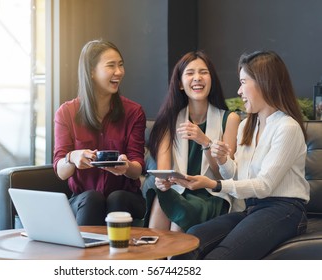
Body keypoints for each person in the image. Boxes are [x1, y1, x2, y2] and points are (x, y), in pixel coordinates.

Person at [171, 51, 310, 260]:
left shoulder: (286, 127)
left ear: (264, 83)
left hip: (285, 210)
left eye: (243, 82)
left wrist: (212, 184)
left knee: (222, 257)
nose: (239, 90)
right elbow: (236, 177)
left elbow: (264, 186)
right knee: (190, 240)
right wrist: (223, 160)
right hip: (252, 207)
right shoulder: (247, 126)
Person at [144, 51, 241, 232]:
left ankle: (176, 259)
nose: (197, 78)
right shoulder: (169, 120)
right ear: (180, 84)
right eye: (190, 73)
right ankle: (154, 258)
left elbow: (225, 176)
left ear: (211, 80)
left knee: (178, 215)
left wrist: (204, 141)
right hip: (179, 191)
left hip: (211, 194)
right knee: (162, 198)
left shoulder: (230, 119)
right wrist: (162, 182)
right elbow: (164, 173)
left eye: (203, 72)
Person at [53, 39, 146, 226]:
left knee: (117, 198)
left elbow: (137, 169)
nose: (119, 72)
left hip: (126, 198)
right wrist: (72, 157)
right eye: (111, 66)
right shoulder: (66, 113)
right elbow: (61, 172)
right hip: (83, 199)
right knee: (92, 199)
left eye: (121, 65)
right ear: (91, 72)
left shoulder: (134, 112)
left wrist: (126, 167)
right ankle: (87, 255)